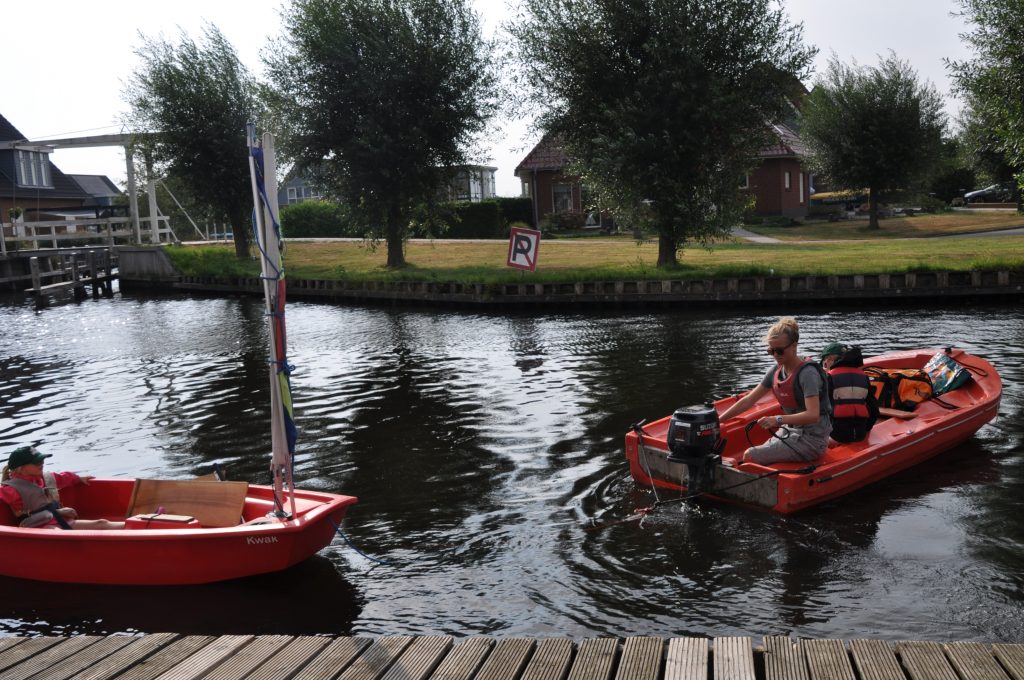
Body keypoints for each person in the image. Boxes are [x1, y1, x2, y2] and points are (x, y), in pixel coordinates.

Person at [718, 317, 832, 465]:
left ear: (794, 346)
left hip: (813, 439)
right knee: (753, 455)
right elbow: (748, 400)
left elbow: (812, 415)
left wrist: (777, 419)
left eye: (779, 351)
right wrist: (719, 420)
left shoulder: (807, 374)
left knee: (750, 456)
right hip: (790, 431)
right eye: (770, 351)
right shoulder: (776, 370)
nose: (775, 355)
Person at [0, 446, 124, 530]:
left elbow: (64, 477)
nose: (42, 464)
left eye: (42, 461)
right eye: (37, 462)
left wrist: (79, 478)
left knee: (101, 523)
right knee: (59, 533)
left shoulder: (45, 478)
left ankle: (139, 528)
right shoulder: (11, 489)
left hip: (57, 519)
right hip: (38, 528)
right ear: (21, 468)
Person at [820, 342, 878, 443]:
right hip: (860, 434)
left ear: (829, 359)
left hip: (836, 436)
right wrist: (866, 429)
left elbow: (818, 410)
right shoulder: (863, 377)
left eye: (824, 363)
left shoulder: (829, 378)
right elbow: (874, 410)